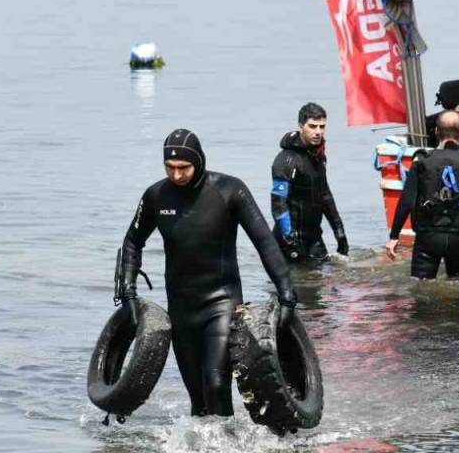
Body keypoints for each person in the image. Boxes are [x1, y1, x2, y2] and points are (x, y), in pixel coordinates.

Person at [118, 129, 297, 417]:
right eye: (170, 168)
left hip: (221, 303)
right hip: (181, 308)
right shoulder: (156, 196)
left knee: (215, 383)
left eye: (183, 168)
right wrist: (126, 289)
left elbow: (265, 241)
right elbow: (132, 242)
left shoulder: (229, 191)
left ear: (199, 161)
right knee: (198, 399)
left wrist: (287, 292)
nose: (176, 175)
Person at [385, 110, 459, 277]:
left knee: (421, 288)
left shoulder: (421, 160)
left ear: (436, 131)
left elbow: (407, 200)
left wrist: (394, 235)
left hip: (428, 235)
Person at [270, 102, 348, 263]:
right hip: (288, 241)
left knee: (325, 284)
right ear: (301, 126)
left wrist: (339, 233)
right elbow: (278, 204)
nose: (318, 132)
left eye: (322, 126)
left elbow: (325, 195)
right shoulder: (286, 159)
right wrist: (290, 240)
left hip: (314, 238)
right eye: (312, 126)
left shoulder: (318, 156)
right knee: (300, 286)